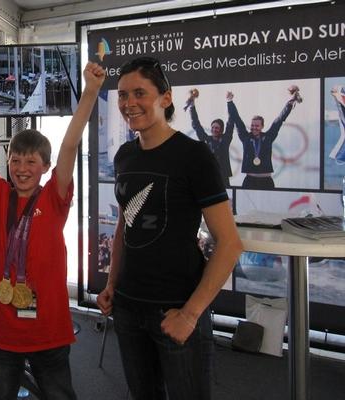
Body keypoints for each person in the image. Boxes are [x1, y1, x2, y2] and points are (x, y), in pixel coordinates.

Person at [0, 61, 105, 400]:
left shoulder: (55, 197)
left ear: (45, 167)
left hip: (47, 327)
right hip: (2, 328)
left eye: (31, 162)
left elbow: (70, 145)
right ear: (8, 161)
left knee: (58, 394)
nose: (22, 168)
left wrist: (89, 93)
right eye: (15, 160)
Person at [96, 56, 243, 400]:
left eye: (139, 93)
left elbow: (230, 244)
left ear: (166, 97)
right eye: (122, 95)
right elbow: (124, 226)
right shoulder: (125, 156)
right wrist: (112, 284)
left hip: (176, 309)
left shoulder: (194, 156)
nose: (129, 103)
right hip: (128, 309)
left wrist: (191, 315)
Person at [228, 86, 302, 189]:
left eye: (257, 125)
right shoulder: (245, 137)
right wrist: (230, 101)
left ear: (262, 126)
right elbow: (237, 119)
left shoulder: (268, 137)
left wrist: (290, 103)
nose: (254, 128)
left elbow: (279, 120)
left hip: (266, 181)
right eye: (252, 125)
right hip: (250, 180)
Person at [185, 88, 234, 187]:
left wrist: (229, 102)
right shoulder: (206, 139)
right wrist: (192, 106)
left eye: (217, 128)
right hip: (208, 177)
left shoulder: (225, 140)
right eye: (213, 127)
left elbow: (230, 122)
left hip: (223, 178)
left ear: (221, 130)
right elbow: (196, 124)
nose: (214, 129)